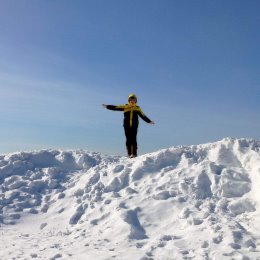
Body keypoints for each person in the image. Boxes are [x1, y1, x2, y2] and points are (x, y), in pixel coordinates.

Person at [102, 93, 155, 158]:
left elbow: (143, 116)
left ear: (136, 101)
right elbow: (115, 107)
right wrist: (107, 106)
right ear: (129, 100)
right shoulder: (125, 106)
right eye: (131, 99)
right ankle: (129, 154)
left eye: (134, 99)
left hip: (134, 125)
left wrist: (149, 121)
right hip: (126, 125)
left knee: (134, 139)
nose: (132, 101)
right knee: (128, 139)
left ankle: (134, 154)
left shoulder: (137, 108)